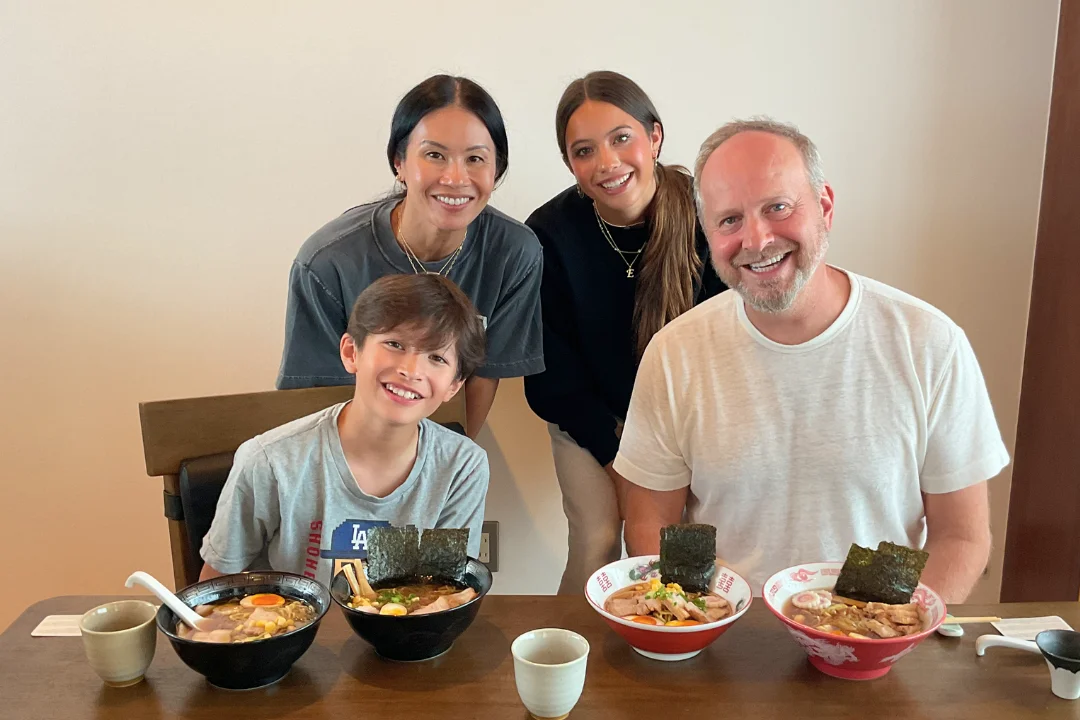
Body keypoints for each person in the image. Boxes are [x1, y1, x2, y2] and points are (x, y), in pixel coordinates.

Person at [614, 118, 1008, 602]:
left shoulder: (929, 343)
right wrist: (698, 614)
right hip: (725, 629)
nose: (756, 240)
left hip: (879, 632)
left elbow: (962, 538)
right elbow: (650, 521)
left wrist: (890, 628)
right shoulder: (674, 354)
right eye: (729, 220)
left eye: (777, 207)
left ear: (824, 207)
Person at [523, 71, 727, 594]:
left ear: (654, 137)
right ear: (569, 163)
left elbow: (731, 344)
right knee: (596, 541)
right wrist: (618, 459)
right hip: (592, 421)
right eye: (584, 151)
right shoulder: (548, 234)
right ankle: (573, 643)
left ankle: (686, 634)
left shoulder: (710, 216)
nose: (607, 163)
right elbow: (551, 376)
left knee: (687, 544)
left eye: (621, 138)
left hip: (689, 420)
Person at [277, 75, 544, 438]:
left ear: (496, 169)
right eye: (434, 155)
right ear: (399, 162)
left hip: (440, 446)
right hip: (342, 449)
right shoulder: (327, 263)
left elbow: (483, 374)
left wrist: (450, 458)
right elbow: (312, 401)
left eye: (475, 158)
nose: (455, 178)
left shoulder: (515, 253)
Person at [201, 274, 490, 587]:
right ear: (352, 352)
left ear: (453, 386)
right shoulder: (269, 460)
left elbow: (443, 590)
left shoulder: (462, 465)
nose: (411, 371)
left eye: (436, 357)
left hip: (408, 619)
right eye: (395, 344)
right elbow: (213, 590)